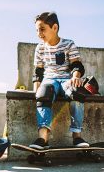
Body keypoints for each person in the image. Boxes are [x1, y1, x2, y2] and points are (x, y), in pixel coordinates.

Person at [29, 12, 89, 150]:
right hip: (49, 80)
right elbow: (38, 71)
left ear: (54, 27)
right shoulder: (40, 48)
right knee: (43, 94)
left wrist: (75, 77)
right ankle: (42, 138)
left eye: (42, 29)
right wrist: (36, 88)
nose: (39, 33)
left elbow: (76, 65)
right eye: (37, 30)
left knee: (76, 93)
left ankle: (77, 136)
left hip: (66, 79)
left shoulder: (68, 44)